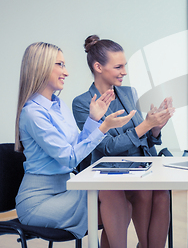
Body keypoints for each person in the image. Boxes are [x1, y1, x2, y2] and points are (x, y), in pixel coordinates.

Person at [14, 42, 135, 241]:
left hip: (66, 189)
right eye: (60, 65)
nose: (66, 72)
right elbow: (69, 158)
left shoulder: (59, 105)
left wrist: (93, 120)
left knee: (123, 204)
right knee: (115, 201)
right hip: (39, 202)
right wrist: (104, 127)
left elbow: (75, 144)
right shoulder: (32, 113)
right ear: (41, 67)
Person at [72, 35, 175, 248]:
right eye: (118, 66)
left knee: (163, 195)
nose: (124, 72)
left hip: (143, 167)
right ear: (98, 67)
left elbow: (145, 140)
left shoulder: (129, 93)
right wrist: (145, 125)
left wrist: (155, 128)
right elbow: (107, 147)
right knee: (146, 192)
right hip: (110, 172)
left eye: (125, 66)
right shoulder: (82, 103)